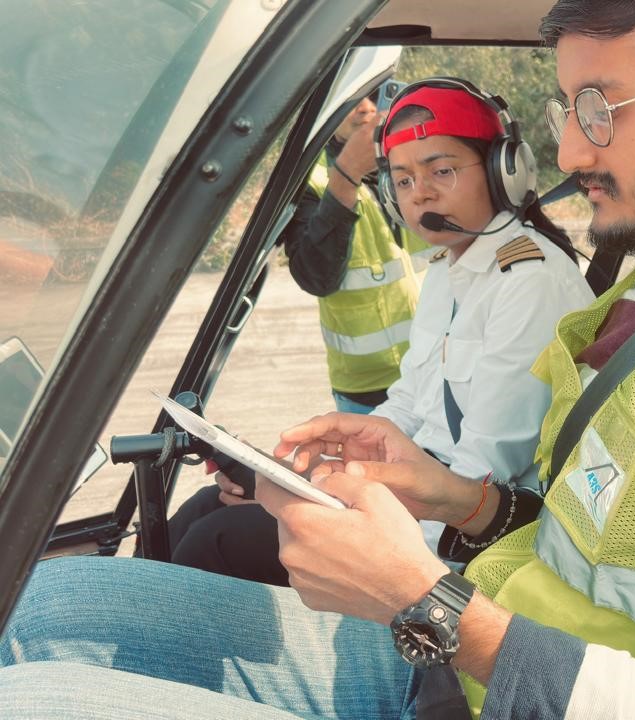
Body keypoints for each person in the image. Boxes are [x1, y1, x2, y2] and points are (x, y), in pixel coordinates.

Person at [0, 2, 635, 718]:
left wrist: (422, 600)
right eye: (563, 111)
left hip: (455, 663)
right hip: (443, 669)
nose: (571, 149)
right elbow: (572, 534)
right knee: (43, 605)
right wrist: (448, 494)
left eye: (601, 109)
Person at [163, 77, 595, 586]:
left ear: (505, 171)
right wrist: (313, 470)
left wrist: (348, 509)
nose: (422, 194)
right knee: (206, 506)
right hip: (418, 490)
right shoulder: (446, 271)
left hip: (463, 535)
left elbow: (484, 474)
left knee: (214, 541)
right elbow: (407, 405)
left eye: (443, 170)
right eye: (405, 180)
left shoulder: (528, 280)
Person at [282, 86, 433, 415]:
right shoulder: (311, 181)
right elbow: (317, 277)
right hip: (367, 390)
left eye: (376, 94)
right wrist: (346, 176)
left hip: (438, 370)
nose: (365, 108)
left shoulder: (421, 162)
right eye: (353, 97)